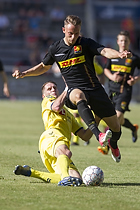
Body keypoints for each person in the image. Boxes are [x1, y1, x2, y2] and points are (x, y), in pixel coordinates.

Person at [12, 15, 132, 163]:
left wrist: (119, 54)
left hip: (95, 89)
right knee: (77, 95)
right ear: (64, 30)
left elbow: (104, 51)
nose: (74, 36)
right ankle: (99, 135)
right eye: (70, 33)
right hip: (74, 89)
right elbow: (43, 67)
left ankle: (113, 144)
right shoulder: (56, 48)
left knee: (116, 128)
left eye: (77, 33)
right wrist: (25, 73)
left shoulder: (85, 43)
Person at [14, 81, 93, 186]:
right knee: (65, 153)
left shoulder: (69, 115)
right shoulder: (47, 100)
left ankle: (31, 172)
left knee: (77, 179)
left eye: (54, 87)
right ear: (43, 95)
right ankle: (66, 178)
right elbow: (56, 107)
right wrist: (67, 89)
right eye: (49, 89)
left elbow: (85, 136)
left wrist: (96, 119)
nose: (52, 90)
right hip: (51, 136)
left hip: (54, 146)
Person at [98, 30, 140, 155]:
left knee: (116, 118)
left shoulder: (134, 58)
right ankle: (133, 128)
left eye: (125, 40)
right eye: (121, 40)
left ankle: (106, 145)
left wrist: (135, 80)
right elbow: (106, 70)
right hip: (111, 91)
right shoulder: (114, 56)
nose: (123, 43)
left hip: (125, 91)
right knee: (117, 120)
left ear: (129, 42)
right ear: (117, 42)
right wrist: (112, 77)